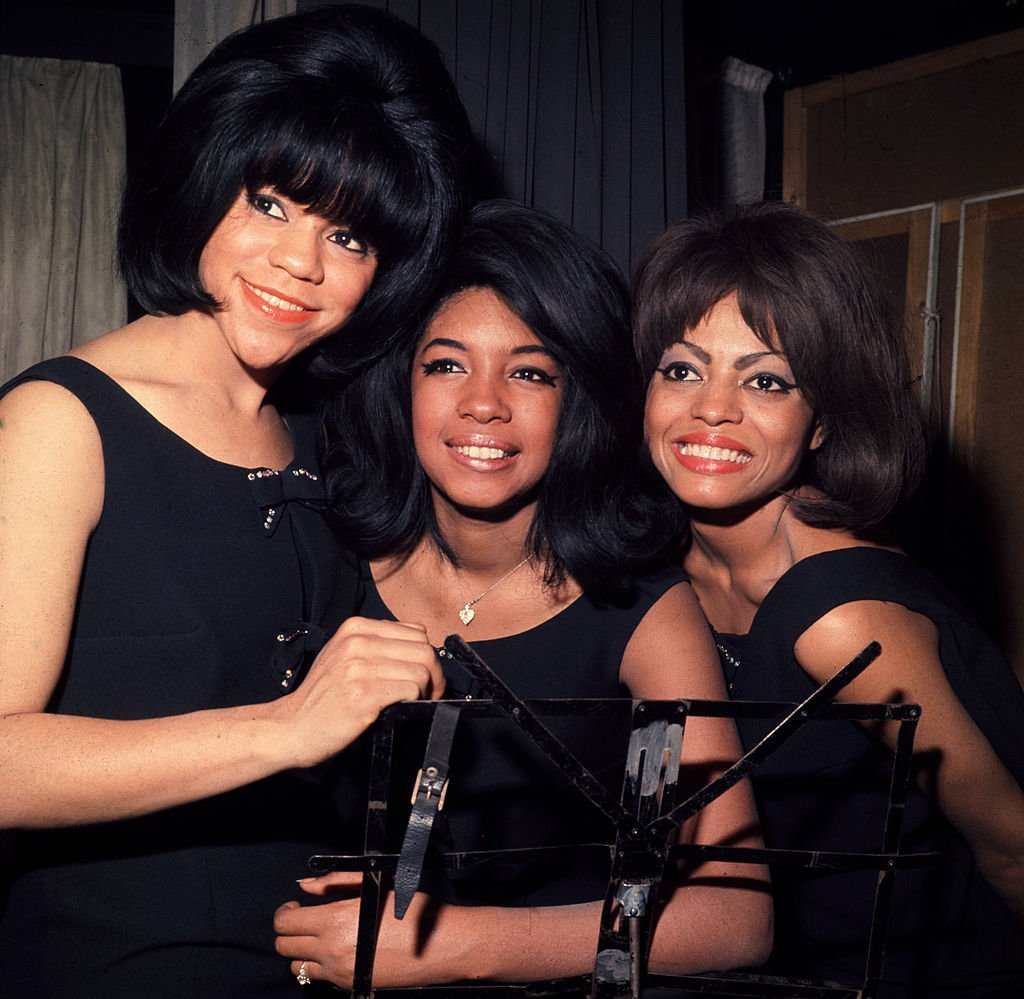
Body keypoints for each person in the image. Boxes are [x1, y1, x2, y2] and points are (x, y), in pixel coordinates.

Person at [0, 6, 470, 996]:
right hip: (118, 967)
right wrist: (289, 727)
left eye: (347, 234)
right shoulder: (61, 420)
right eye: (270, 204)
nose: (301, 264)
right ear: (202, 182)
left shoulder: (323, 431)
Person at [273, 199, 772, 991]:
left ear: (578, 398)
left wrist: (457, 946)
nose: (484, 402)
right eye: (446, 363)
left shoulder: (638, 608)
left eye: (530, 371)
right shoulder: (325, 559)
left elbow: (737, 916)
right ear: (399, 384)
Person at [633, 200, 1024, 996]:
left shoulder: (842, 617)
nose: (712, 407)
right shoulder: (658, 569)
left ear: (820, 424)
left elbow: (1012, 844)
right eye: (682, 368)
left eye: (767, 380)